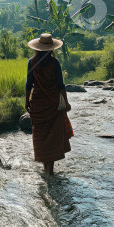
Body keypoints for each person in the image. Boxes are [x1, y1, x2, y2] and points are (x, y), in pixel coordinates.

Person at [25, 33, 72, 176]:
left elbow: (29, 84)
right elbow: (60, 85)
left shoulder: (31, 62)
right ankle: (50, 171)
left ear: (37, 48)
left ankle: (46, 170)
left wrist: (27, 101)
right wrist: (66, 102)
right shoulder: (54, 63)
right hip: (53, 104)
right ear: (51, 48)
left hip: (38, 105)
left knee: (41, 136)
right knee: (52, 137)